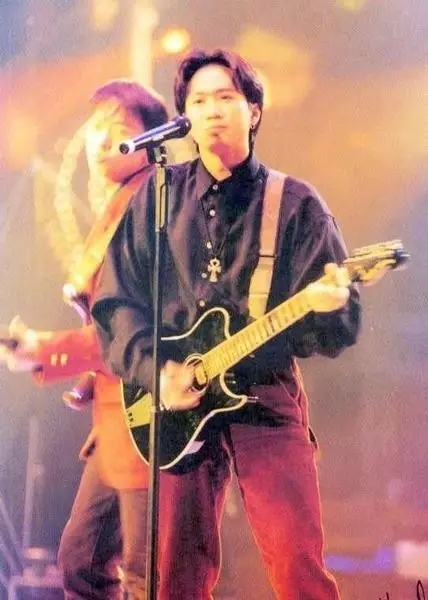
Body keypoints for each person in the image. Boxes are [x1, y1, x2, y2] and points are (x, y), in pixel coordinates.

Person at [91, 49, 361, 599]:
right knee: (176, 577)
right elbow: (116, 301)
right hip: (176, 405)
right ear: (184, 116)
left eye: (225, 97)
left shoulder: (294, 204)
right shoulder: (158, 198)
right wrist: (155, 370)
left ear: (254, 111)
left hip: (264, 395)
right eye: (198, 101)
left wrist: (330, 304)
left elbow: (339, 328)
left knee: (297, 565)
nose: (211, 110)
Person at [1, 79, 169, 599]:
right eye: (94, 128)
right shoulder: (120, 203)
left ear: (149, 138)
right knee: (82, 558)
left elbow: (134, 329)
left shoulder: (152, 204)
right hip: (115, 414)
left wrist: (47, 348)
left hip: (150, 414)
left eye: (117, 128)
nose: (100, 140)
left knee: (144, 574)